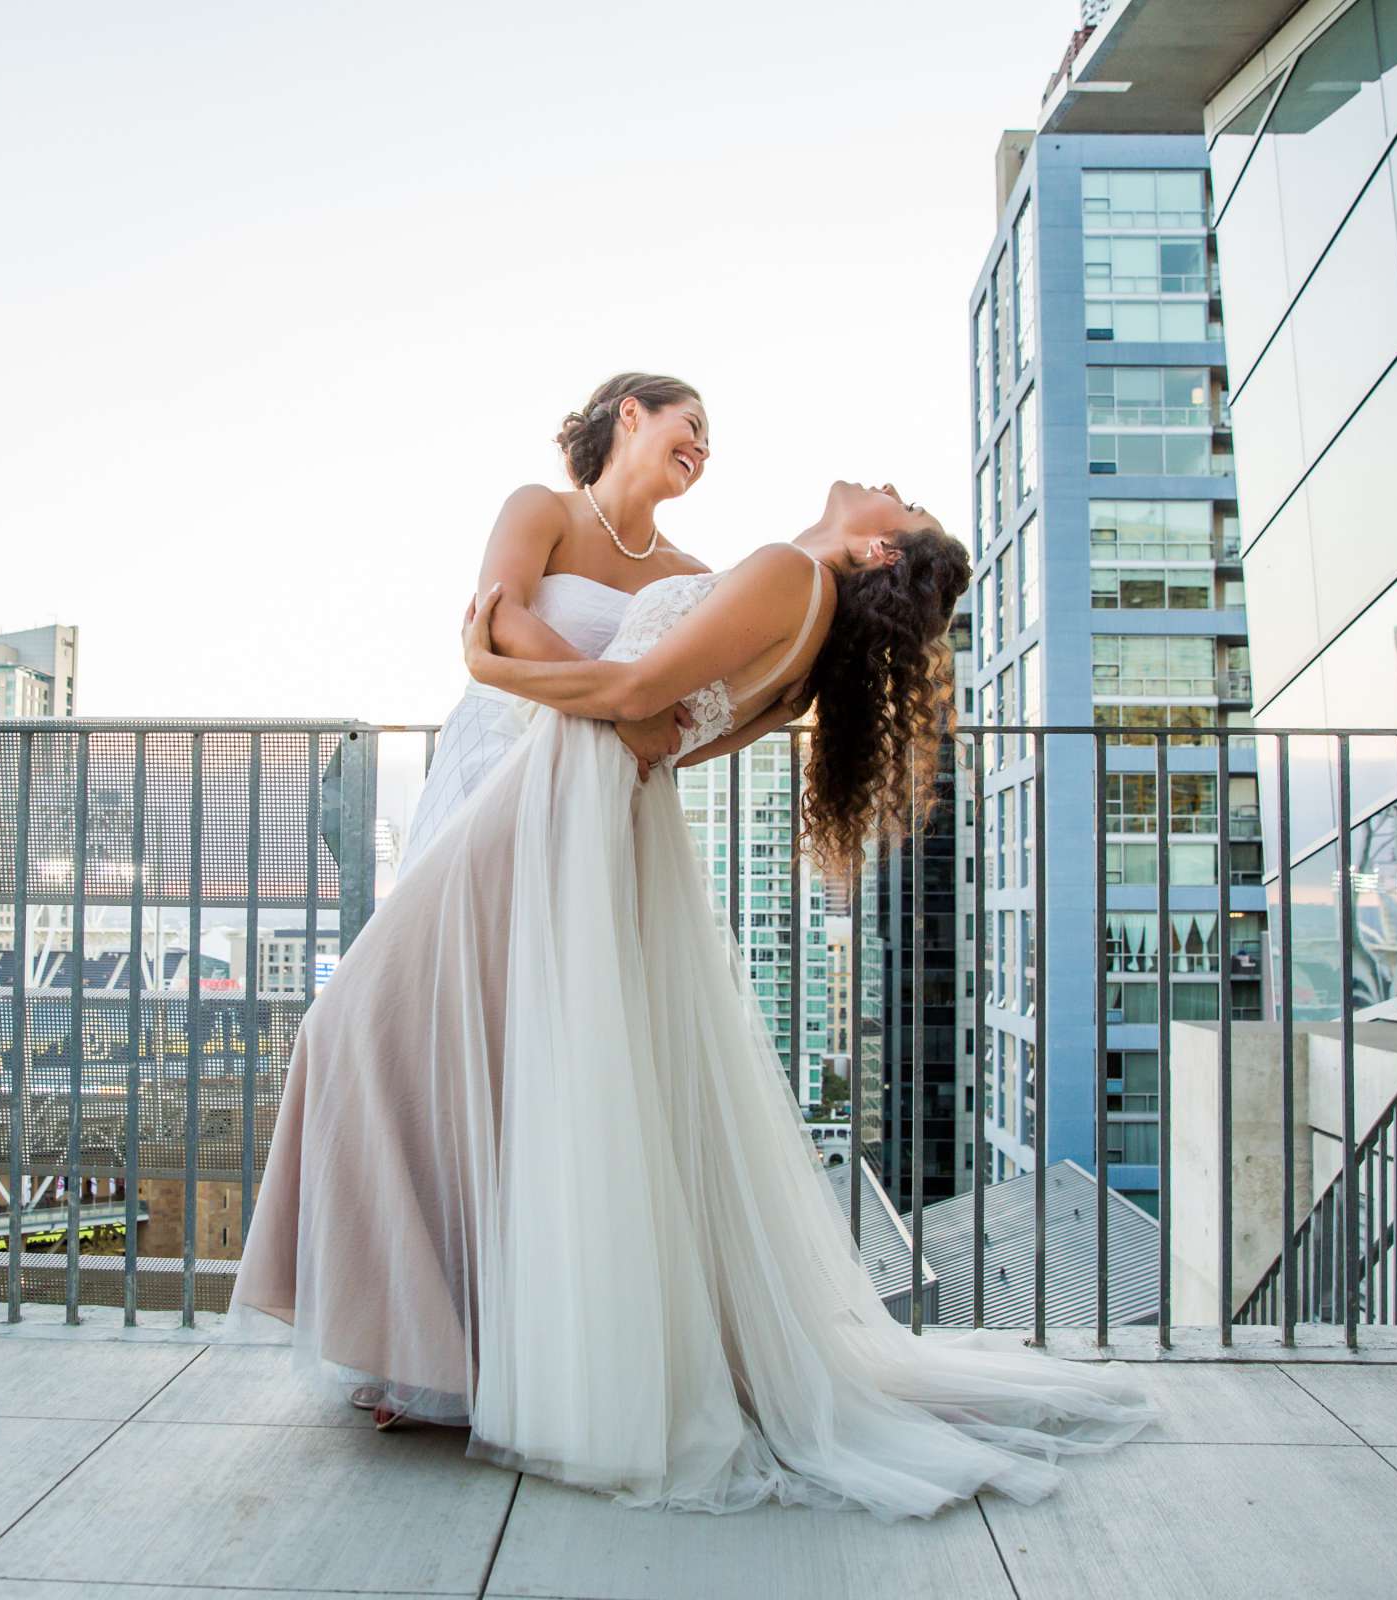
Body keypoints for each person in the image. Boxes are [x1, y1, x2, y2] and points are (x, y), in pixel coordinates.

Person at [230, 481, 1154, 1520]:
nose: (881, 484)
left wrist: (490, 663)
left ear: (881, 542)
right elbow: (672, 739)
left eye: (899, 497)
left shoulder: (788, 572)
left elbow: (632, 697)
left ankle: (415, 1341)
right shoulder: (805, 638)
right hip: (589, 809)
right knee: (484, 1055)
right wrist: (609, 710)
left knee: (354, 1019)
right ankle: (435, 1351)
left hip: (552, 805)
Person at [403, 372, 733, 865]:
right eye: (692, 425)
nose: (703, 450)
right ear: (631, 413)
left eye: (709, 444)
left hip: (601, 783)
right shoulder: (541, 507)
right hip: (494, 747)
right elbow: (501, 621)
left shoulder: (690, 574)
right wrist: (623, 707)